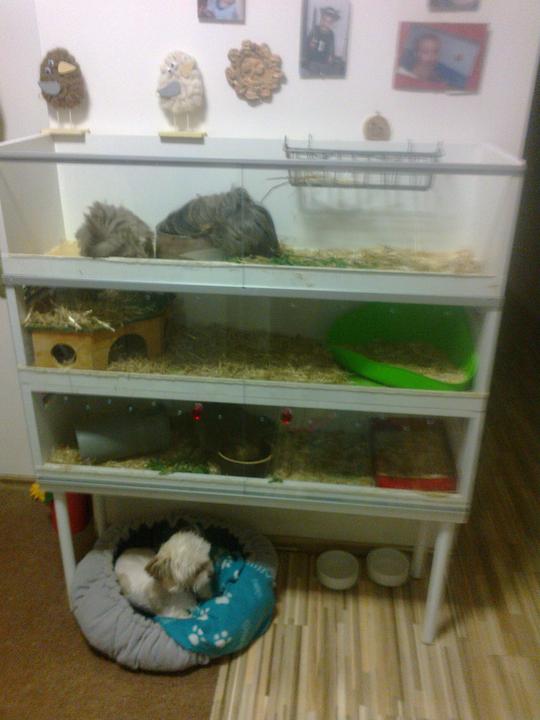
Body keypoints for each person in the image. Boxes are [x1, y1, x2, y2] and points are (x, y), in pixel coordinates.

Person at [302, 6, 344, 77]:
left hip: (324, 60)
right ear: (321, 19)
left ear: (332, 23)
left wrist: (331, 56)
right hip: (313, 59)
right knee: (313, 71)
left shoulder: (331, 34)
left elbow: (331, 47)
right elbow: (307, 44)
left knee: (326, 72)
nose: (325, 23)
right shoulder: (315, 30)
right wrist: (310, 44)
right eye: (324, 20)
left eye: (329, 22)